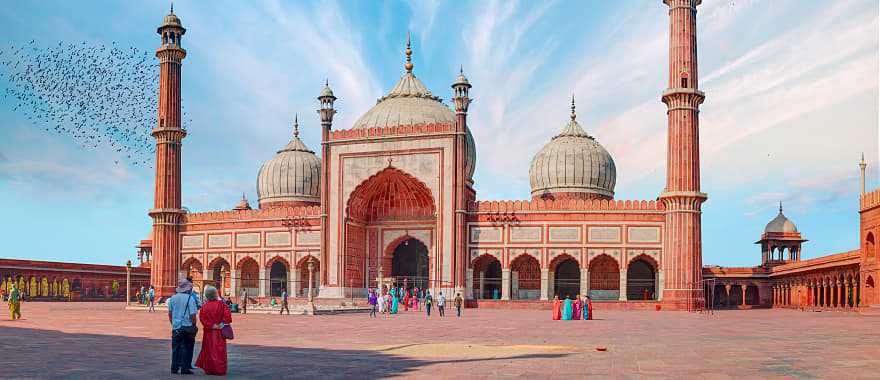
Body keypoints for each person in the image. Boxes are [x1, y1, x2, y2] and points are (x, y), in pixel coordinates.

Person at [196, 285, 232, 376]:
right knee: (219, 351)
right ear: (216, 294)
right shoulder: (222, 304)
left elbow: (202, 319)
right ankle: (219, 369)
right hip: (219, 332)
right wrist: (221, 324)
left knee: (208, 350)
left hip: (209, 332)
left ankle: (209, 369)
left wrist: (211, 325)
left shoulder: (204, 306)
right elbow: (228, 317)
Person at [168, 279, 199, 375]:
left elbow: (170, 314)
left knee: (175, 348)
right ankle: (184, 368)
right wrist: (193, 325)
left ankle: (174, 368)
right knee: (186, 347)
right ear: (188, 289)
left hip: (176, 327)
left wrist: (174, 324)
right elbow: (193, 315)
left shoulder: (172, 298)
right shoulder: (190, 299)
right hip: (187, 326)